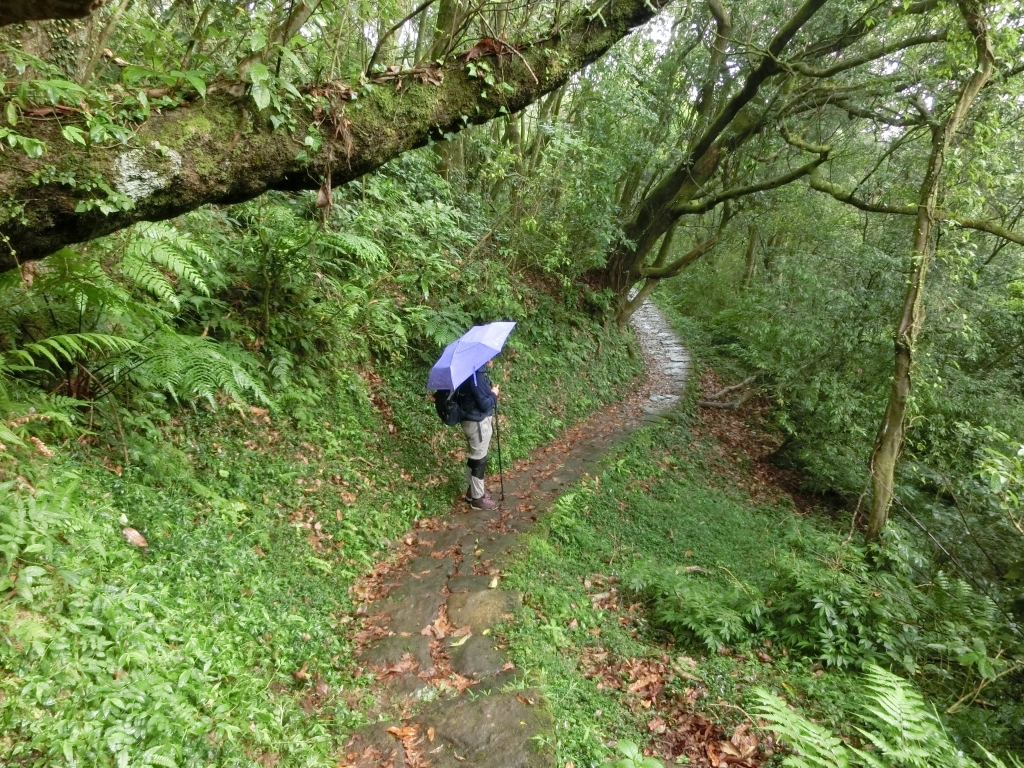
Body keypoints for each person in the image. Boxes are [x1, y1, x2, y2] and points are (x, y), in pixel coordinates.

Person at [455, 360, 499, 509]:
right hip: (478, 423)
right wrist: (494, 394)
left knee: (475, 456)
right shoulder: (476, 375)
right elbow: (485, 404)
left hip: (469, 420)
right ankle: (477, 499)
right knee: (479, 460)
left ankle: (471, 492)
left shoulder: (465, 369)